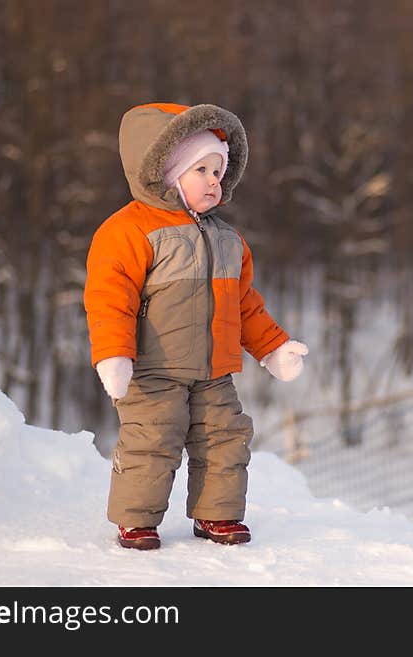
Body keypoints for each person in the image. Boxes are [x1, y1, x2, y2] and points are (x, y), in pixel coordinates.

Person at [84, 102, 308, 550]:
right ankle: (137, 520)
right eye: (201, 170)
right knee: (152, 441)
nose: (214, 181)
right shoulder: (128, 231)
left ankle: (217, 516)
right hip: (154, 370)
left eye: (218, 172)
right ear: (166, 173)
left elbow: (245, 305)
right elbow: (109, 298)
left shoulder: (228, 239)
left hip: (215, 371)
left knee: (225, 439)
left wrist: (272, 347)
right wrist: (114, 354)